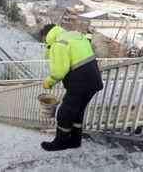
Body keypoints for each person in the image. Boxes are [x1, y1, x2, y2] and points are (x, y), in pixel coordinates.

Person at [40, 24, 103, 152]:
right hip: (94, 80)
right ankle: (75, 141)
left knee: (65, 113)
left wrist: (48, 82)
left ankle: (60, 143)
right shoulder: (74, 36)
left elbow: (59, 72)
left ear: (47, 35)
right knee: (77, 111)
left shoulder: (59, 44)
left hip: (80, 82)